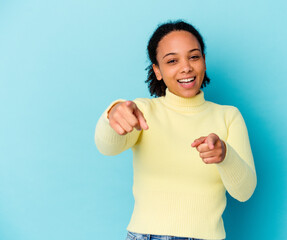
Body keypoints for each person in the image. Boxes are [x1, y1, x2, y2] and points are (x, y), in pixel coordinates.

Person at [94, 20, 257, 240]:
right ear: (157, 71)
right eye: (172, 60)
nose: (186, 67)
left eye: (194, 56)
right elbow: (107, 147)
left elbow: (244, 192)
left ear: (204, 61)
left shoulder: (228, 116)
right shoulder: (142, 111)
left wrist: (224, 155)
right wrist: (112, 112)